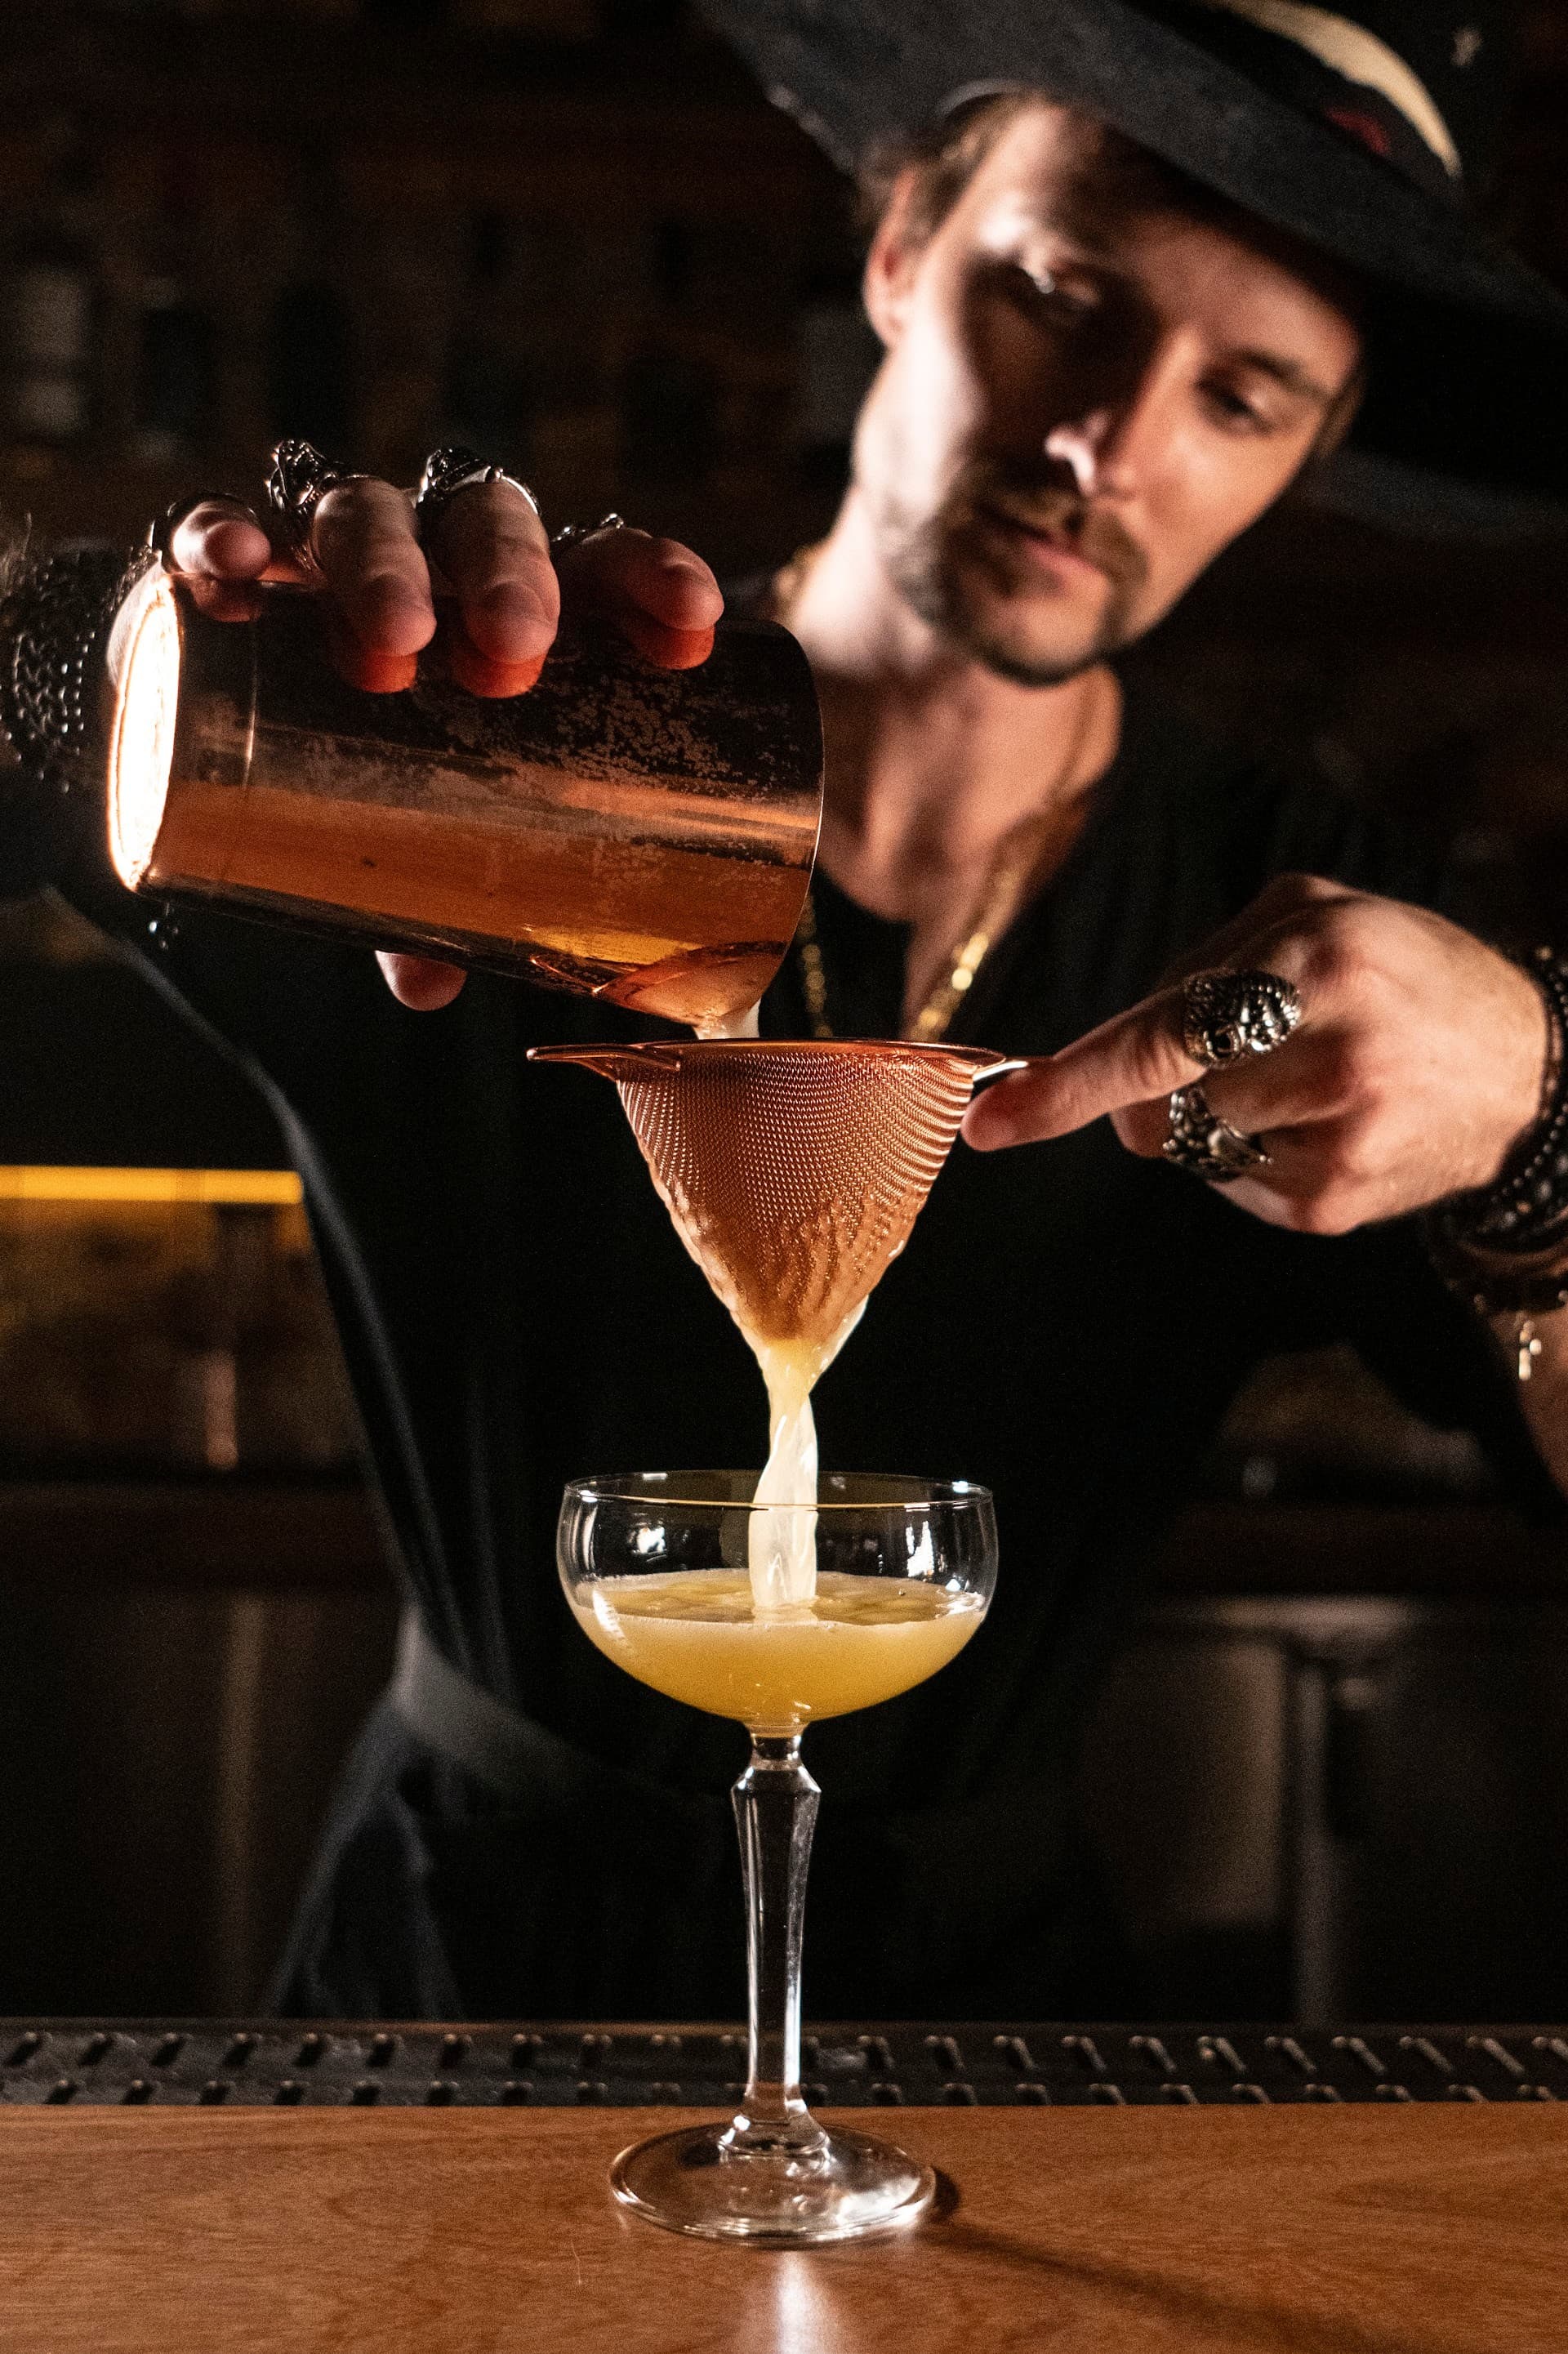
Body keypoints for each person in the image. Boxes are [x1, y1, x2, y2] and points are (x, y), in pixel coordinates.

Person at [6, 0, 1568, 2020]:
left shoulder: (1293, 925)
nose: (1110, 440)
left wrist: (1545, 1132)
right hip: (450, 1986)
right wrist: (131, 634)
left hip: (991, 2028)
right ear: (903, 246)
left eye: (1244, 397)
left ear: (1308, 461)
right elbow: (43, 732)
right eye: (1064, 293)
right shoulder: (493, 759)